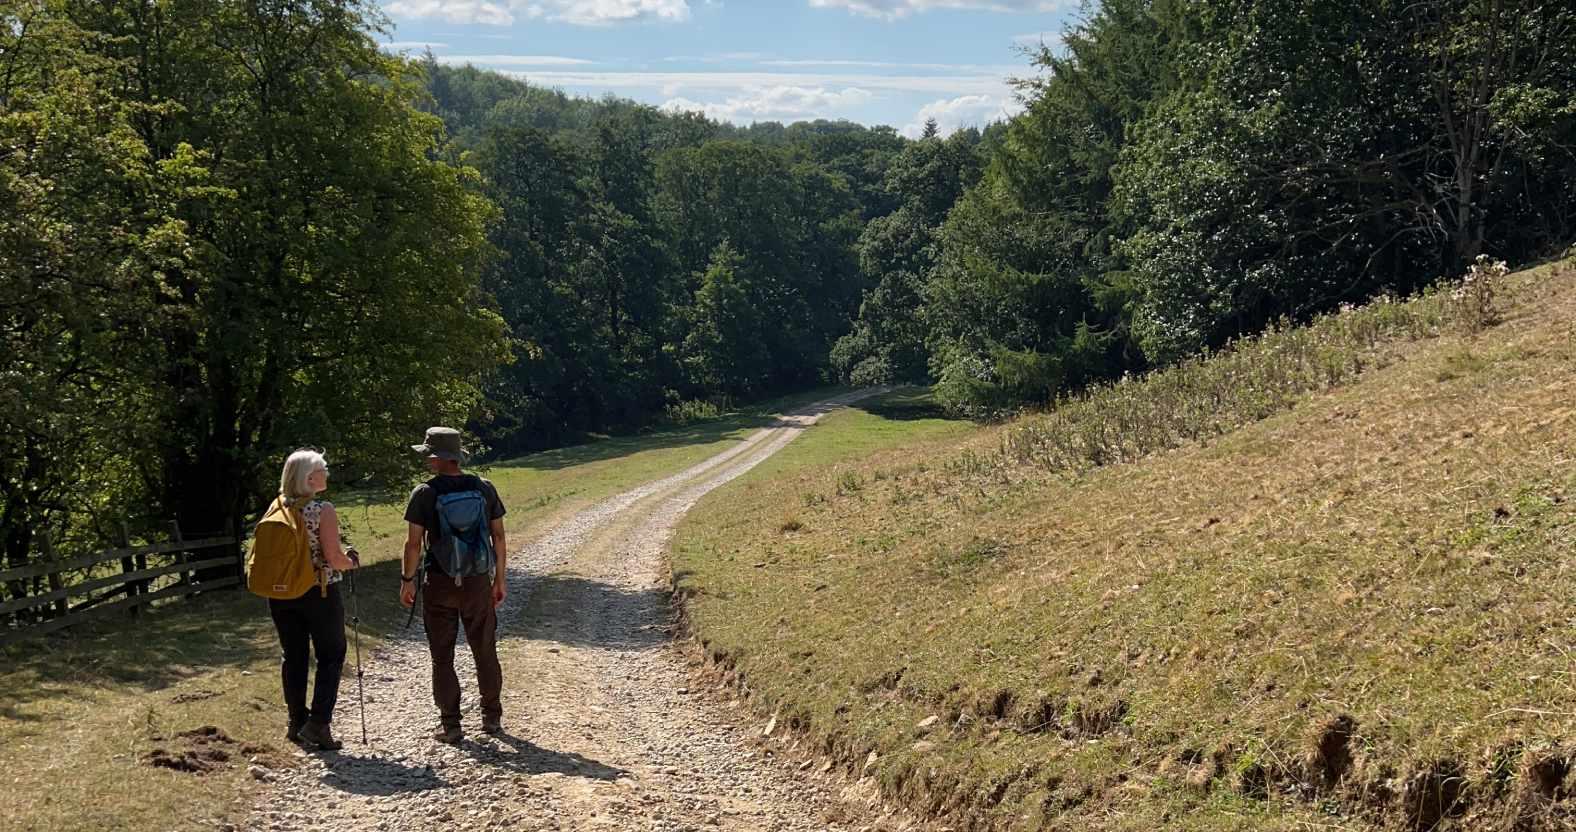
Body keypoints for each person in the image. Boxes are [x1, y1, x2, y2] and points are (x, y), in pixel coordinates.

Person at [400, 427, 508, 744]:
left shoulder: (425, 494)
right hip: (477, 581)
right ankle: (492, 719)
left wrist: (408, 581)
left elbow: (413, 544)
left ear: (436, 458)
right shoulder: (483, 488)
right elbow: (498, 536)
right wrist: (499, 578)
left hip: (440, 583)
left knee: (442, 656)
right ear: (457, 457)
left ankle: (451, 725)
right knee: (485, 650)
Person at [268, 449, 359, 751]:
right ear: (309, 478)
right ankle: (319, 724)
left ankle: (296, 721)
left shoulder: (277, 507)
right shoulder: (322, 509)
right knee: (331, 654)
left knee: (293, 655)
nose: (327, 473)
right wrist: (352, 561)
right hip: (318, 591)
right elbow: (333, 558)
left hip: (280, 593)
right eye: (322, 469)